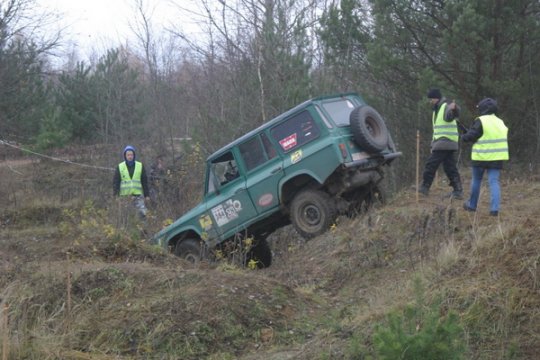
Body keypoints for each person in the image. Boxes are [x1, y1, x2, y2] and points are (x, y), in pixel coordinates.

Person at [461, 98, 509, 216]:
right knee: (493, 182)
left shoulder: (481, 120)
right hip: (497, 158)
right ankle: (494, 210)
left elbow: (472, 136)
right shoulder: (500, 122)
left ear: (483, 108)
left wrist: (463, 137)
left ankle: (472, 205)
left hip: (481, 157)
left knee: (477, 180)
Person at [418, 88, 464, 199]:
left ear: (436, 98)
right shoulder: (436, 110)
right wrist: (432, 145)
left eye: (431, 99)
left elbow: (452, 114)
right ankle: (458, 191)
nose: (430, 101)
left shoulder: (445, 106)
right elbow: (436, 131)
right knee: (450, 167)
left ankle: (424, 187)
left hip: (445, 142)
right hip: (445, 143)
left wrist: (454, 109)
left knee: (431, 164)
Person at [113, 145, 150, 219]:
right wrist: (116, 195)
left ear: (134, 155)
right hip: (125, 197)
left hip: (138, 196)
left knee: (143, 214)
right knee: (126, 217)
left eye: (131, 155)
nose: (130, 156)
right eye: (128, 155)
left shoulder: (140, 166)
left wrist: (147, 195)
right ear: (125, 156)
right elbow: (116, 182)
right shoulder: (120, 167)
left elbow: (144, 181)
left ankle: (144, 229)